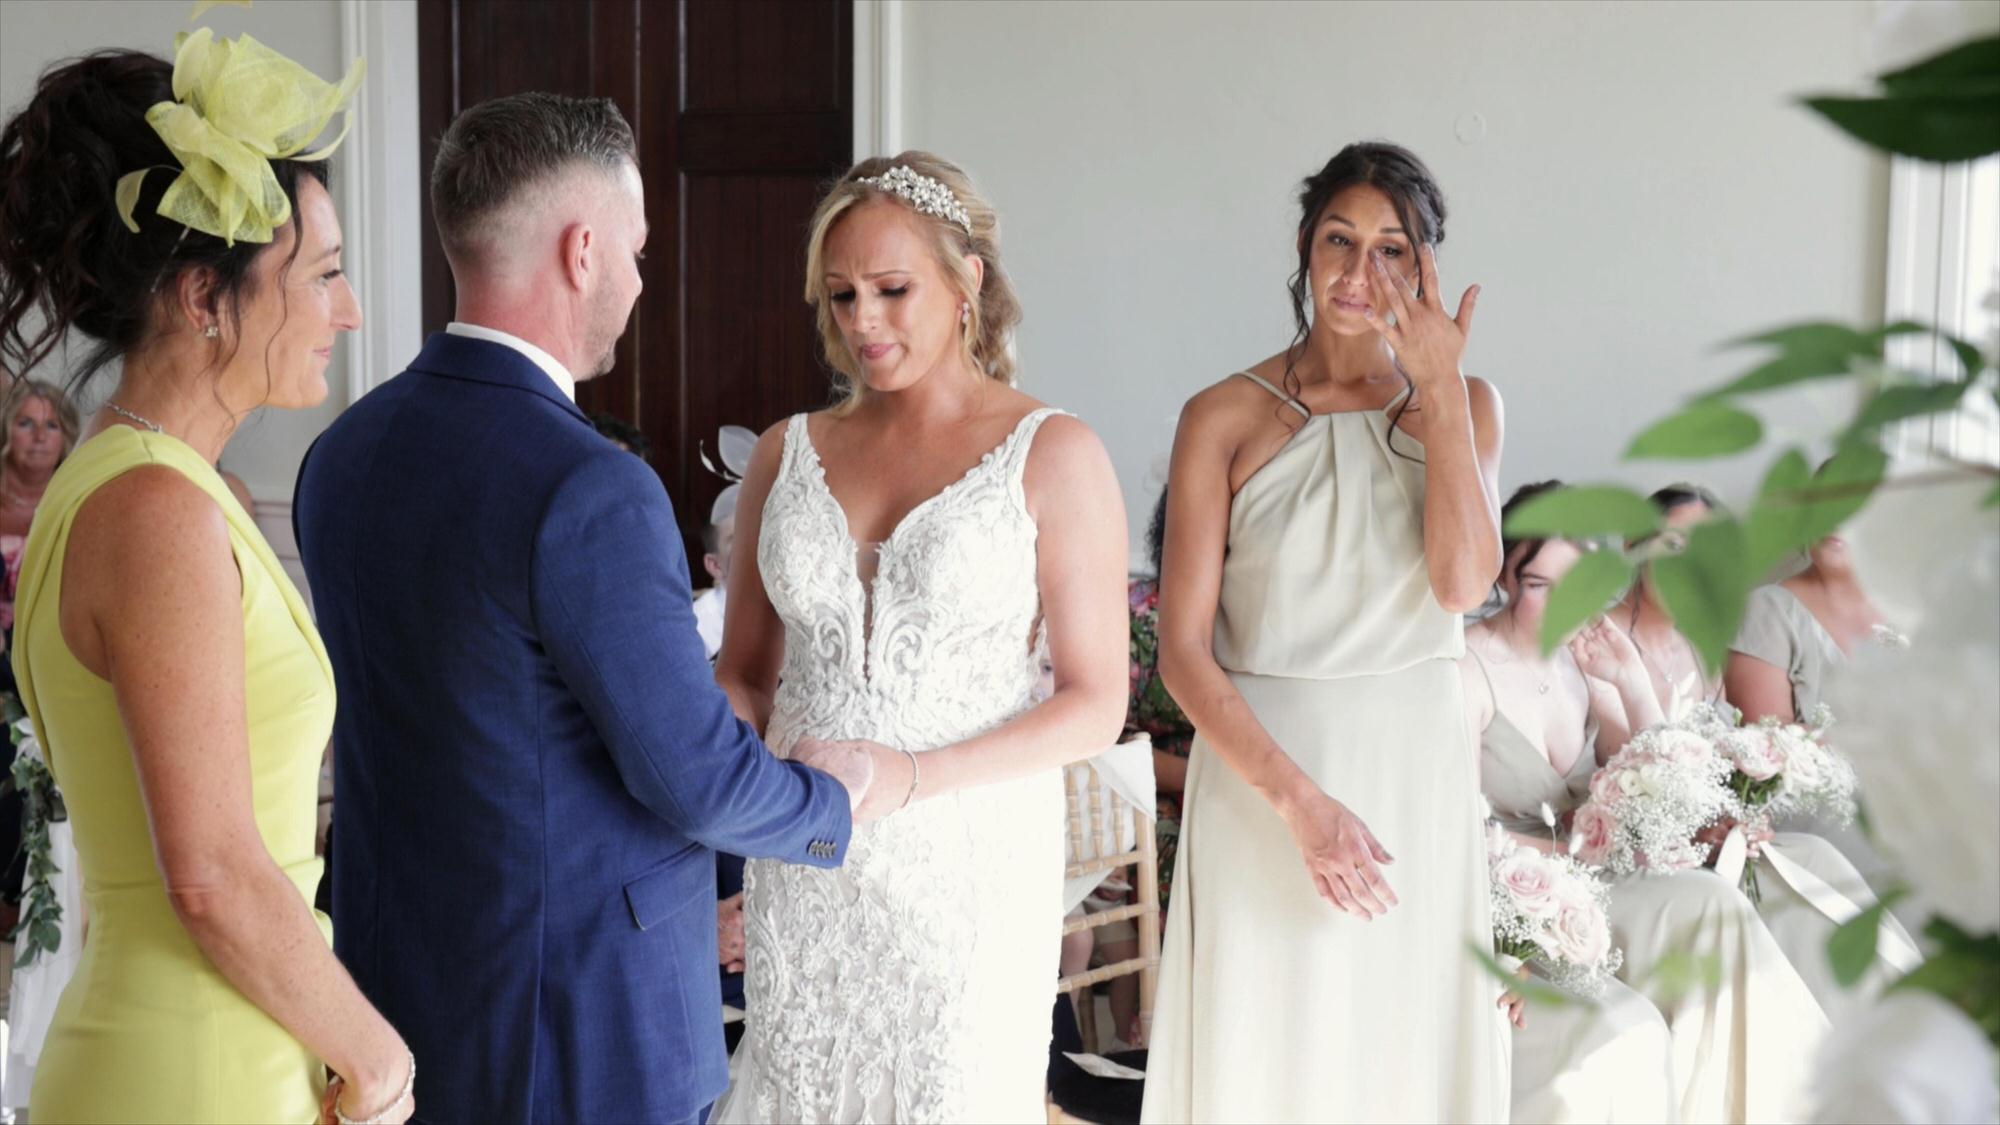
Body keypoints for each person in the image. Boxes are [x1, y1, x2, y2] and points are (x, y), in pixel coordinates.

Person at [294, 93, 879, 1125]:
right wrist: (833, 806)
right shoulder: (588, 485)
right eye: (638, 250)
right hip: (579, 1027)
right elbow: (690, 776)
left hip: (387, 989)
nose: (640, 280)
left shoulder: (344, 454)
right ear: (581, 251)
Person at [0, 32, 416, 1124]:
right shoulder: (153, 511)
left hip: (215, 1052)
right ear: (201, 296)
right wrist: (378, 1059)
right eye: (323, 275)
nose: (349, 310)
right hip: (191, 1074)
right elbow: (216, 876)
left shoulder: (140, 484)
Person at [710, 153, 1129, 1123]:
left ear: (965, 279)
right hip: (805, 862)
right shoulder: (786, 451)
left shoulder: (1053, 453)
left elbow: (1093, 702)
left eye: (891, 291)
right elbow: (743, 675)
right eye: (842, 294)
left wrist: (907, 776)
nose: (862, 321)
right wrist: (700, 794)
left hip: (967, 870)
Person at [1142, 142, 1508, 1123]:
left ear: (1423, 267)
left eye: (1391, 250)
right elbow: (1180, 652)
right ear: (1303, 250)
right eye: (1338, 241)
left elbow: (1461, 583)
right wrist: (1299, 805)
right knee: (1269, 1051)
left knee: (1399, 1049)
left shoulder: (1466, 405)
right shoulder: (1219, 414)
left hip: (1413, 779)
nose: (1358, 273)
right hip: (1269, 784)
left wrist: (1434, 392)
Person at [1468, 482, 1827, 1124]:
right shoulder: (1467, 669)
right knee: (1701, 913)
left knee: (1714, 901)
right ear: (1502, 574)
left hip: (1594, 871)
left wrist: (1629, 676)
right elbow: (1455, 827)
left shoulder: (1585, 659)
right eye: (1540, 584)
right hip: (1517, 884)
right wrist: (1559, 854)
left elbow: (1652, 768)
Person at [1626, 486, 1917, 1025]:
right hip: (1740, 813)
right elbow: (1765, 745)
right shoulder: (1608, 647)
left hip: (1729, 817)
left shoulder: (1698, 647)